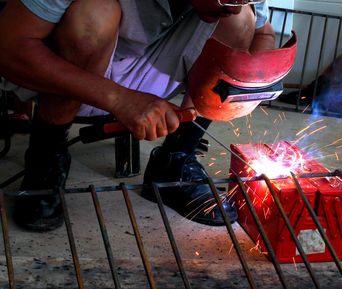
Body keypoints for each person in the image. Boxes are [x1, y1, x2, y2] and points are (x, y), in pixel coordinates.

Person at [0, 0, 283, 231]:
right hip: (70, 71)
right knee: (94, 12)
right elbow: (8, 48)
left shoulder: (233, 5)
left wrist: (254, 77)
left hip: (151, 70)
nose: (232, 6)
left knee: (241, 22)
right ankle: (45, 156)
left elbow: (262, 31)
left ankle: (175, 162)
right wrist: (119, 99)